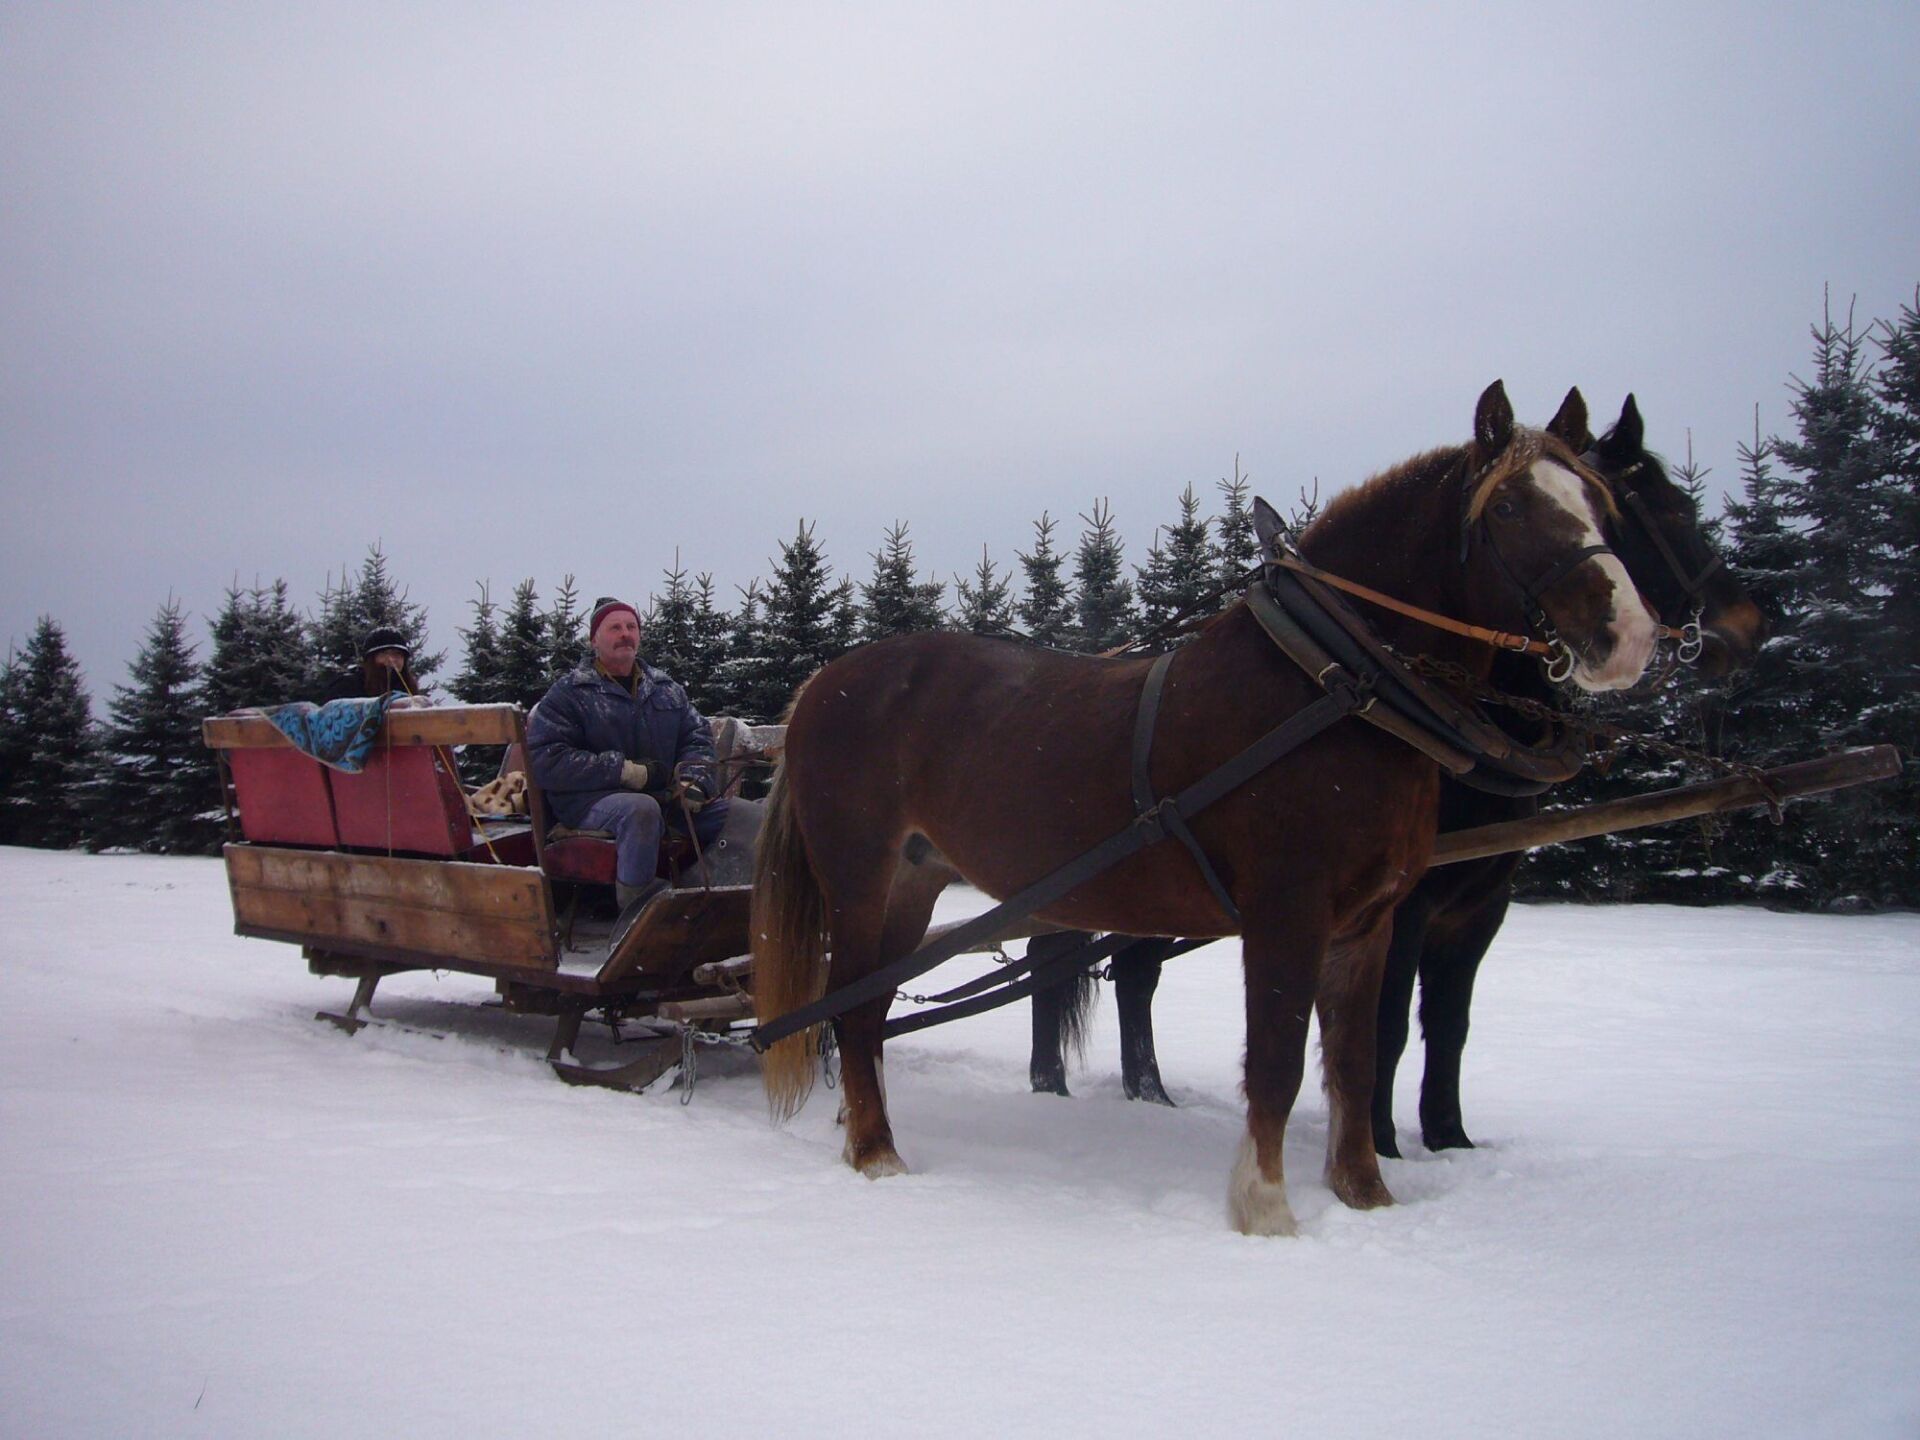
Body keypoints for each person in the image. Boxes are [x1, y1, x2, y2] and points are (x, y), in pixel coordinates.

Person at [526, 596, 728, 940]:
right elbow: (546, 760)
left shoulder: (666, 690)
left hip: (666, 799)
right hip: (588, 805)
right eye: (615, 627)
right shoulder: (569, 693)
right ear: (594, 639)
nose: (625, 634)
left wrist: (694, 783)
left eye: (631, 626)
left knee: (740, 815)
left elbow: (697, 739)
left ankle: (729, 909)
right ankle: (638, 927)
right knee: (639, 810)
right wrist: (623, 771)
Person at [323, 627, 425, 703]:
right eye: (384, 653)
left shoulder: (408, 690)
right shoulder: (348, 687)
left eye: (397, 654)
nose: (391, 659)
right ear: (371, 659)